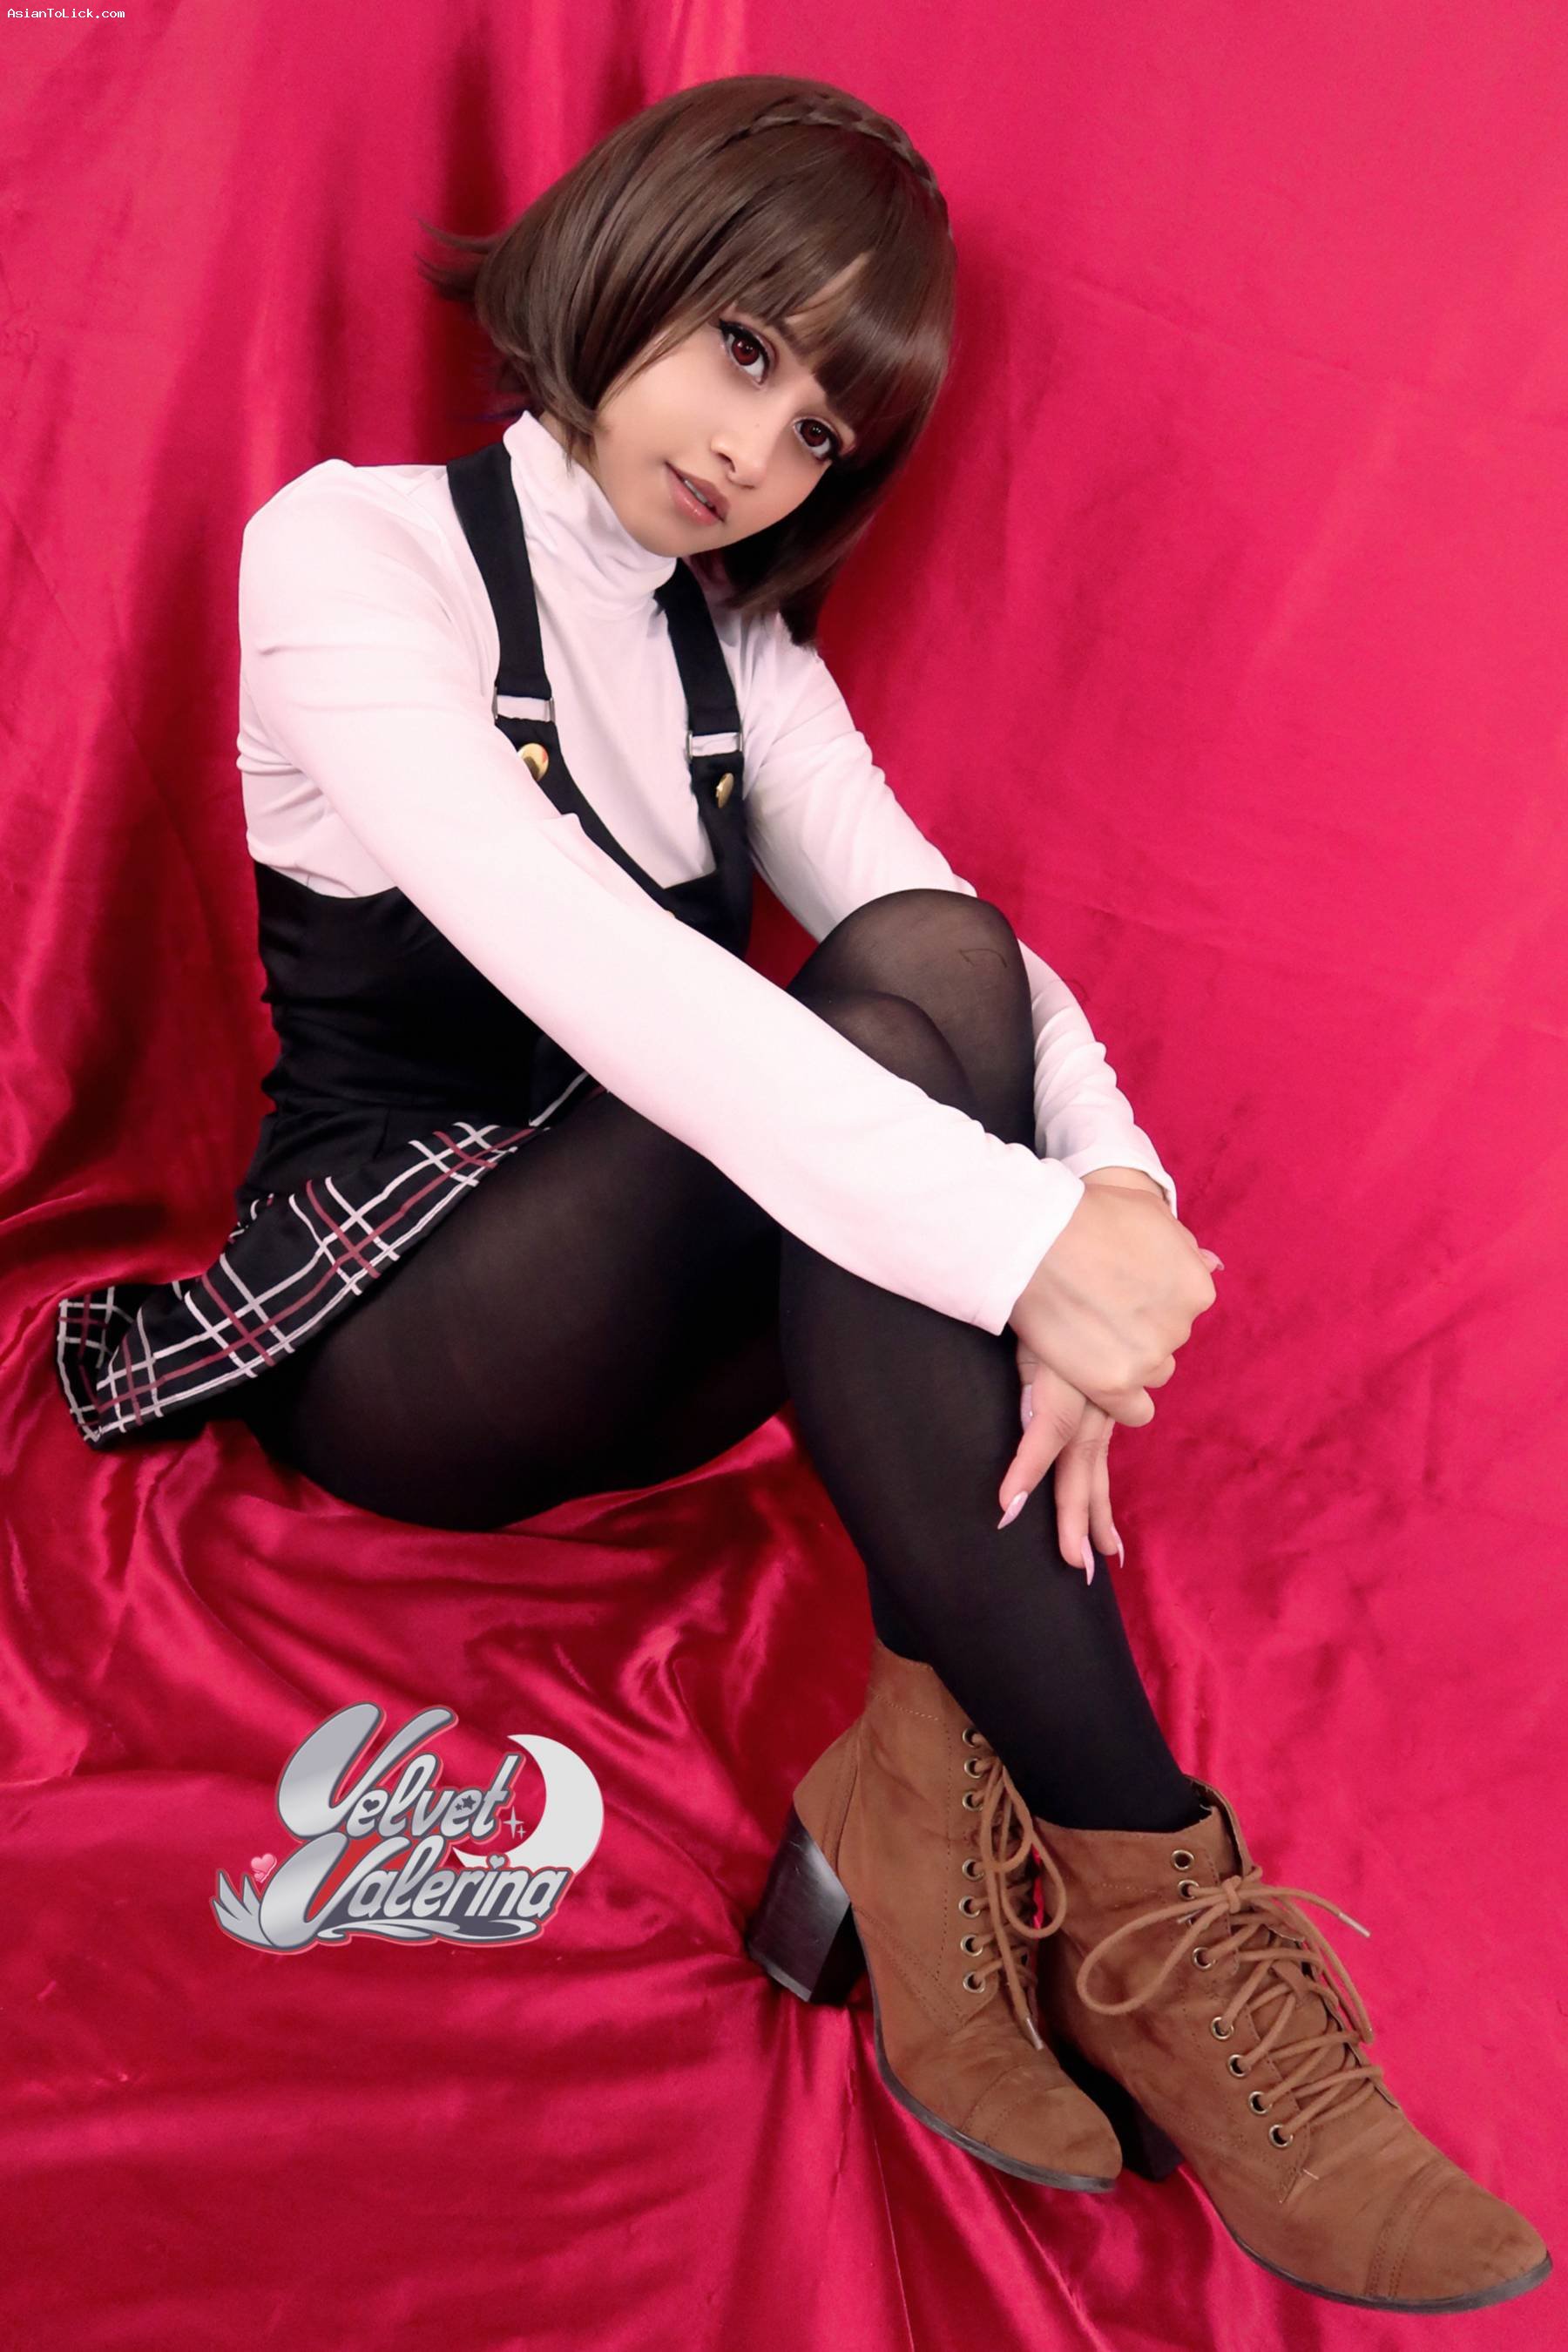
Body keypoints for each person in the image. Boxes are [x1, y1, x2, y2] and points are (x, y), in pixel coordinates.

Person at [51, 71, 1548, 2319]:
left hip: (650, 1307)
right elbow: (606, 979)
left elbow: (961, 947)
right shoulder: (348, 552)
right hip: (401, 1331)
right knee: (864, 1071)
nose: (756, 451)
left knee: (924, 969)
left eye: (821, 427)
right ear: (628, 260)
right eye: (744, 349)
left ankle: (916, 1799)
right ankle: (1156, 1889)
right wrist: (1024, 1252)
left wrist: (1113, 1199)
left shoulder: (735, 656)